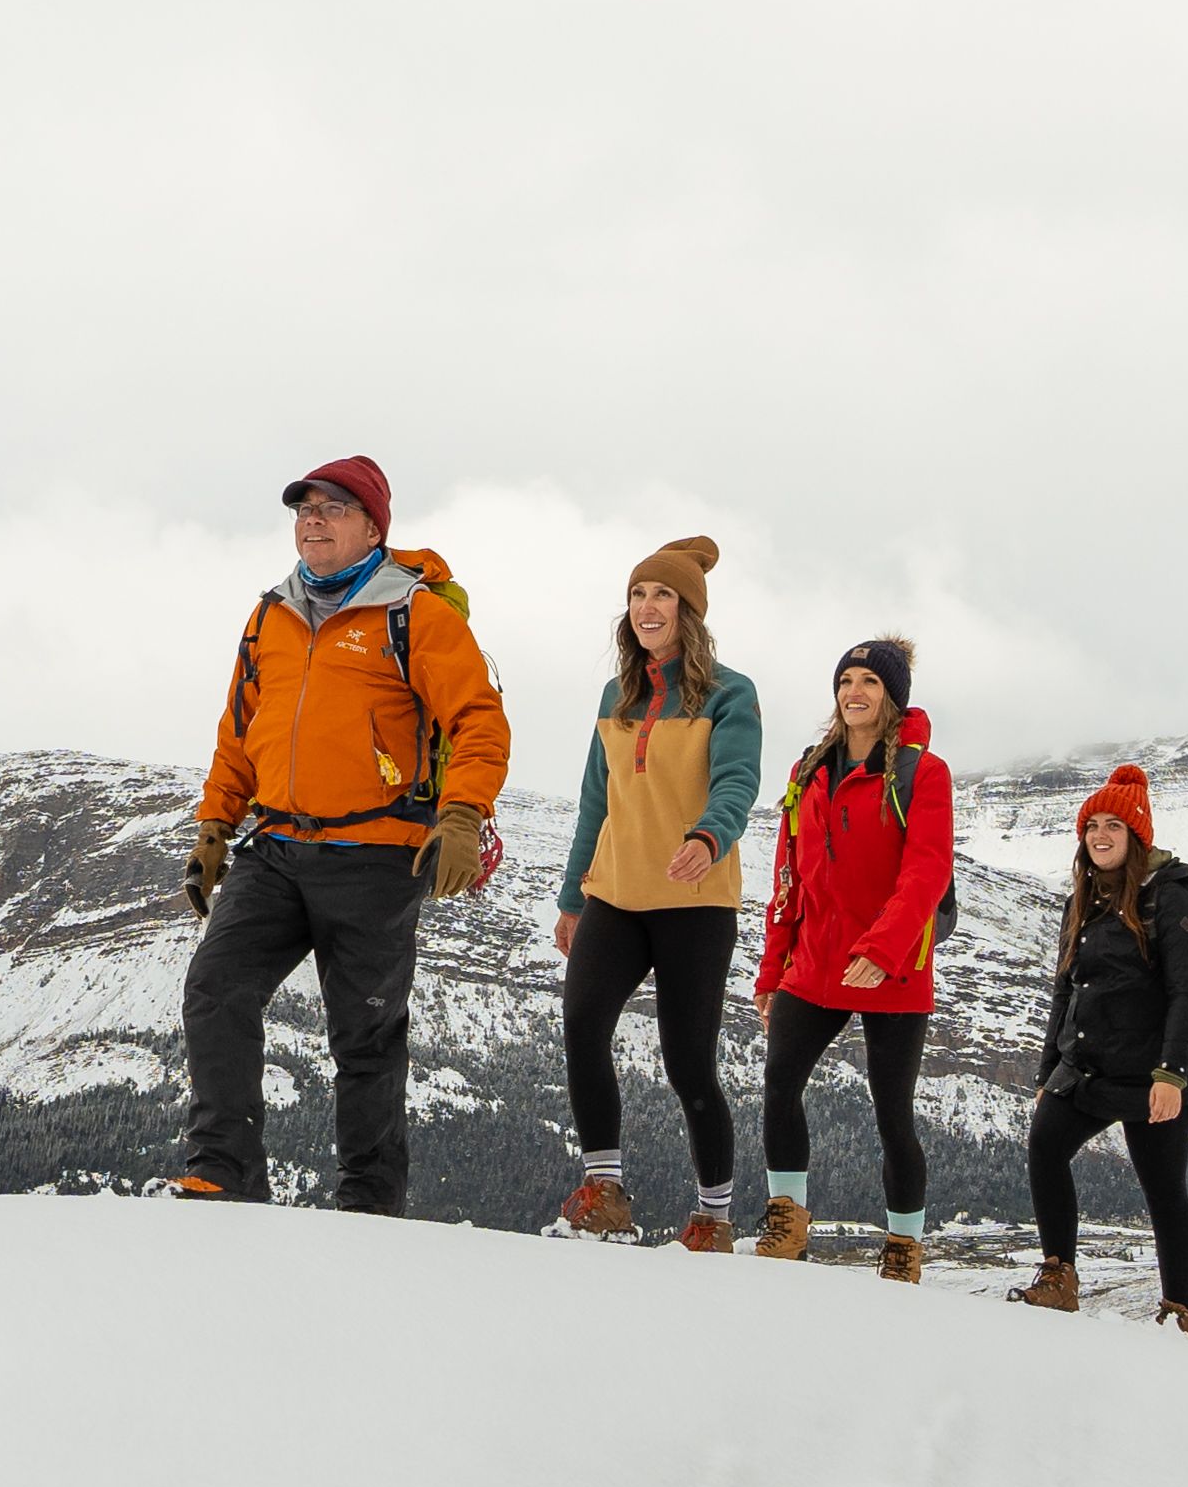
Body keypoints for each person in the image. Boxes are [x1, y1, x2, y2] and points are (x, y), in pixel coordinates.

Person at [176, 456, 509, 1212]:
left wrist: (460, 814)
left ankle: (369, 1200)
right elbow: (240, 732)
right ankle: (222, 1172)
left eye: (332, 507)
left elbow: (478, 720)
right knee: (215, 987)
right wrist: (214, 826)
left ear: (372, 526)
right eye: (304, 508)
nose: (313, 519)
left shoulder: (416, 614)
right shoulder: (271, 615)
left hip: (379, 854)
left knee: (364, 1037)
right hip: (278, 848)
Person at [549, 537, 761, 1247]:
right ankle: (605, 1190)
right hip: (616, 893)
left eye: (662, 595)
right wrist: (573, 896)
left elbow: (737, 780)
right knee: (582, 1023)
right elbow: (594, 799)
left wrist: (708, 837)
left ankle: (715, 1215)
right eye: (639, 594)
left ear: (688, 611)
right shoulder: (618, 696)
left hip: (695, 899)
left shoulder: (732, 694)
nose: (647, 606)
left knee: (688, 1061)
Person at [750, 637, 950, 1279]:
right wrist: (771, 971)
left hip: (892, 968)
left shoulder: (925, 773)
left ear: (892, 697)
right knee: (780, 1083)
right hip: (814, 963)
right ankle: (787, 1220)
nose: (854, 692)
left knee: (892, 1111)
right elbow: (789, 878)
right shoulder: (808, 770)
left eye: (869, 681)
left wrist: (882, 949)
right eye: (846, 681)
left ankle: (903, 1248)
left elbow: (926, 873)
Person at [1016, 766, 1188, 1326]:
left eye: (1113, 825)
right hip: (1085, 1068)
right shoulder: (1082, 897)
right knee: (1044, 1147)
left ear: (1137, 836)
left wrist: (1173, 1075)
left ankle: (1178, 1312)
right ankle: (1058, 1276)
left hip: (1152, 1073)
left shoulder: (1172, 900)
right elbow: (1066, 990)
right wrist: (1046, 1074)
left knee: (1164, 1193)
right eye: (1091, 826)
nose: (1100, 836)